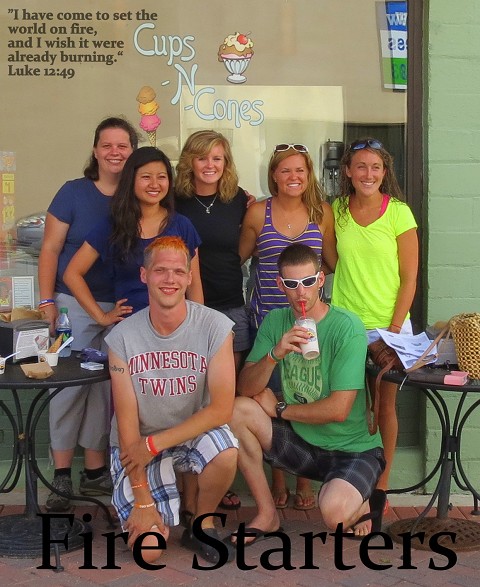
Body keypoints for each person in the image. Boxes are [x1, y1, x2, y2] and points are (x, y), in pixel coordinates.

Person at [230, 243, 385, 544]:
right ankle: (268, 515)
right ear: (280, 285)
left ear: (320, 280)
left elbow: (339, 409)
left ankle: (359, 497)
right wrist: (274, 354)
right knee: (238, 410)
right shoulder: (276, 321)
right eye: (291, 284)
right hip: (303, 445)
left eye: (308, 281)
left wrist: (280, 410)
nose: (301, 292)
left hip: (353, 449)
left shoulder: (347, 326)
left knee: (335, 515)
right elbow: (245, 388)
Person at [106, 236, 238, 565]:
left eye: (179, 271)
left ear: (190, 277)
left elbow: (222, 409)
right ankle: (155, 510)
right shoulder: (122, 338)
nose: (170, 279)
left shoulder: (215, 326)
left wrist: (154, 444)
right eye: (160, 270)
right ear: (144, 275)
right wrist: (142, 500)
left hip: (184, 434)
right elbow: (127, 427)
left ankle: (201, 524)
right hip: (138, 443)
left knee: (226, 452)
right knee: (148, 551)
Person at [38, 116, 138, 511]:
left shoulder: (136, 194)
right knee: (67, 387)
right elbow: (50, 249)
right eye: (107, 145)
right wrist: (47, 302)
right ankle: (62, 475)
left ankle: (95, 472)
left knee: (103, 391)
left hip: (121, 308)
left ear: (132, 151)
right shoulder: (73, 193)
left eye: (122, 146)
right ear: (95, 150)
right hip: (71, 307)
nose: (115, 152)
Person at [238, 143, 337, 511]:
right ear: (274, 176)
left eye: (300, 170)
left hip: (310, 324)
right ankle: (278, 476)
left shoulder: (321, 212)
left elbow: (332, 262)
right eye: (285, 170)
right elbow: (238, 258)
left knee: (304, 396)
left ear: (308, 174)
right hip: (267, 322)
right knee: (269, 397)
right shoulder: (257, 213)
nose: (293, 177)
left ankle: (304, 478)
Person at [331, 138, 418, 504]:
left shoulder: (399, 212)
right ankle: (354, 481)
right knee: (351, 407)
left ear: (384, 173)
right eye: (361, 167)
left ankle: (381, 485)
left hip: (389, 326)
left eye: (376, 167)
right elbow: (331, 260)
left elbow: (409, 277)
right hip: (348, 324)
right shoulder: (337, 210)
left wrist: (394, 330)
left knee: (384, 406)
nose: (368, 174)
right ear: (348, 172)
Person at [175, 130, 250, 511]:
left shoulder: (240, 201)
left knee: (224, 400)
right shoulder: (175, 202)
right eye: (203, 157)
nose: (210, 165)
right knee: (190, 398)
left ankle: (220, 484)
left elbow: (247, 248)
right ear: (190, 161)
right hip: (187, 310)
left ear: (226, 163)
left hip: (231, 308)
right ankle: (185, 485)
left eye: (217, 158)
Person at [63, 146, 203, 327]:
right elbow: (72, 274)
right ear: (131, 180)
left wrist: (197, 325)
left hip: (175, 325)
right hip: (130, 328)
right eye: (146, 177)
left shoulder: (182, 225)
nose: (155, 184)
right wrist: (101, 317)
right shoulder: (113, 226)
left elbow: (194, 282)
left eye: (161, 177)